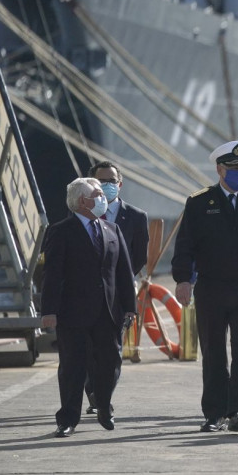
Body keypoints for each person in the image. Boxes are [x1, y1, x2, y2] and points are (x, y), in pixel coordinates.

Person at [171, 140, 238, 433]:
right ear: (220, 169)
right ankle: (215, 413)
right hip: (212, 288)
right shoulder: (199, 202)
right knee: (214, 350)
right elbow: (185, 246)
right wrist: (183, 280)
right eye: (234, 168)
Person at [40, 177, 137, 437]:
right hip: (73, 312)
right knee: (73, 366)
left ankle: (104, 406)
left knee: (110, 363)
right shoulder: (60, 231)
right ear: (82, 201)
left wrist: (130, 307)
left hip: (108, 311)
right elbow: (52, 274)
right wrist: (48, 310)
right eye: (97, 193)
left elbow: (124, 272)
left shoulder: (111, 229)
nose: (103, 197)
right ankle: (68, 418)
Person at [84, 160, 149, 416]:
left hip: (120, 293)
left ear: (120, 184)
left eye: (112, 181)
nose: (107, 186)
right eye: (101, 181)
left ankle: (104, 397)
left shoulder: (136, 217)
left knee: (112, 348)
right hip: (87, 292)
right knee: (89, 347)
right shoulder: (82, 214)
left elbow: (140, 256)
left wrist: (117, 279)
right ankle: (93, 391)